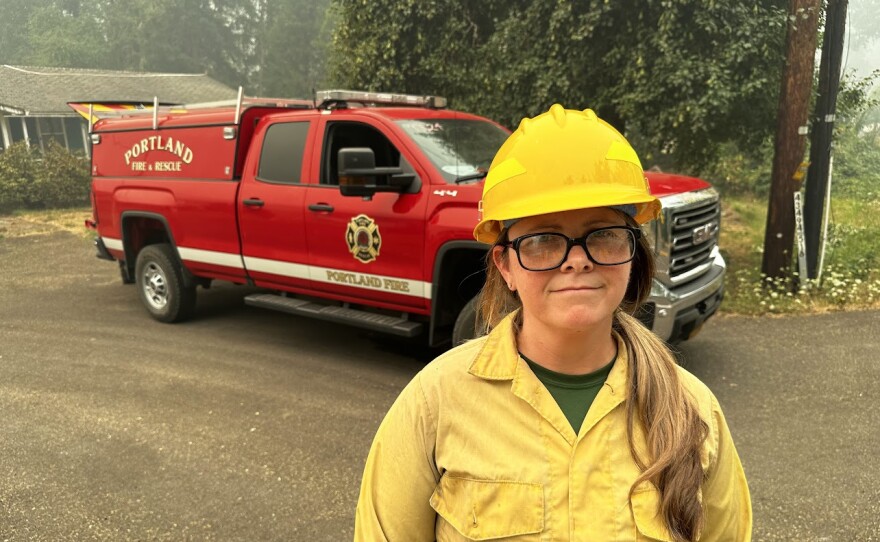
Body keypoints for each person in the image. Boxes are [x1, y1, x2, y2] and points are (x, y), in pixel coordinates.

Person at [354, 105, 751, 541]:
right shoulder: (435, 403)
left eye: (602, 234)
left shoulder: (693, 411)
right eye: (543, 240)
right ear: (505, 265)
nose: (577, 260)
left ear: (632, 251)